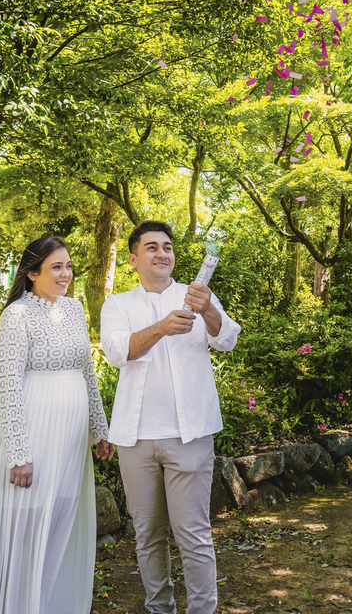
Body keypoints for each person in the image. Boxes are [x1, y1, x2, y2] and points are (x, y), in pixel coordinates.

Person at [0, 236, 114, 614]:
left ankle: (48, 604)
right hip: (33, 434)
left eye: (69, 266)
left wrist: (100, 429)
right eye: (57, 266)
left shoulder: (74, 309)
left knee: (60, 517)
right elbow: (7, 387)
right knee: (26, 525)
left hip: (70, 439)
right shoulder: (17, 316)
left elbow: (87, 373)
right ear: (32, 273)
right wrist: (18, 454)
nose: (66, 274)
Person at [100, 221, 241, 614]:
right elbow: (117, 351)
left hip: (190, 434)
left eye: (167, 246)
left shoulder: (195, 295)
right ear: (133, 259)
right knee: (147, 534)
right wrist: (161, 328)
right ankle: (159, 608)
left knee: (193, 534)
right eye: (151, 247)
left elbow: (227, 339)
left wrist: (208, 308)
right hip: (135, 438)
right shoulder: (118, 304)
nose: (162, 253)